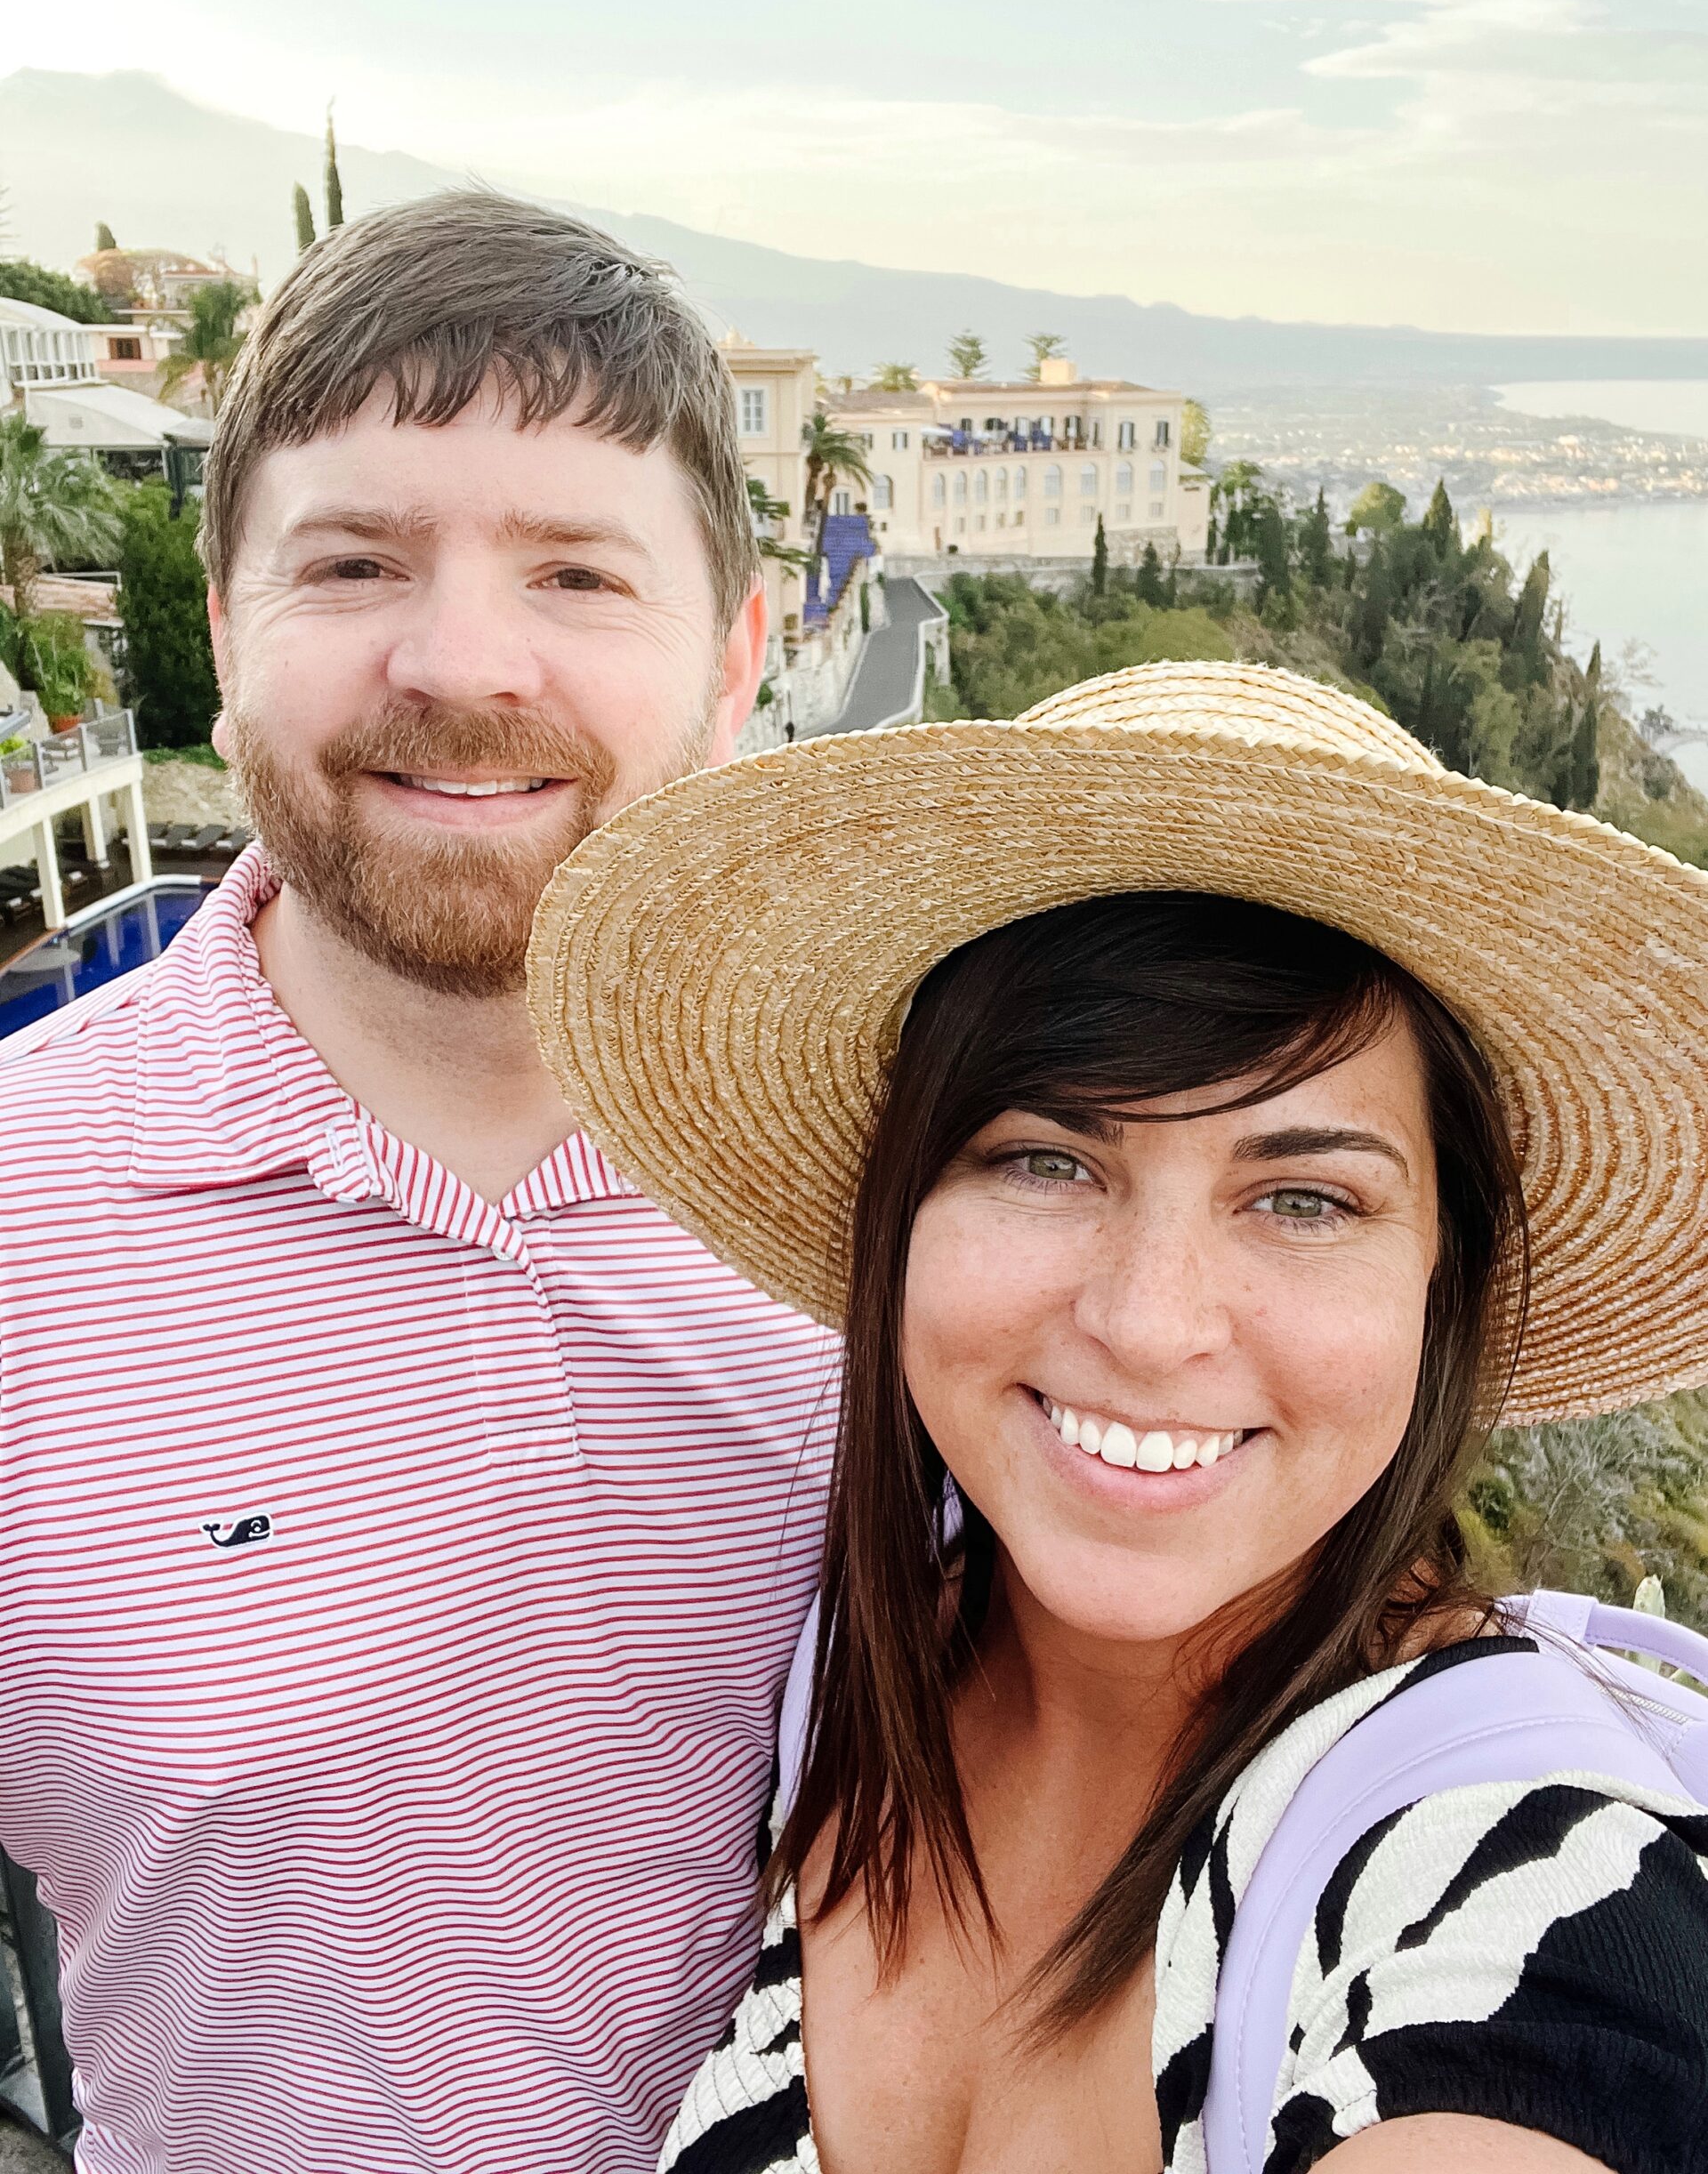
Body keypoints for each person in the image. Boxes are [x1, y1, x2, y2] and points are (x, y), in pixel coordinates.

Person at [528, 661, 1708, 2174]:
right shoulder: (826, 1674)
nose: (1149, 1323)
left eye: (1302, 1198)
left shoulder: (1529, 1884)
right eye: (1045, 1161)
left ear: (1441, 1278)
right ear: (905, 1209)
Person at [0, 193, 837, 2174]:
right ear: (224, 634)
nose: (465, 658)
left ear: (733, 659)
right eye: (358, 558)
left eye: (573, 570)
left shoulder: (917, 1199)